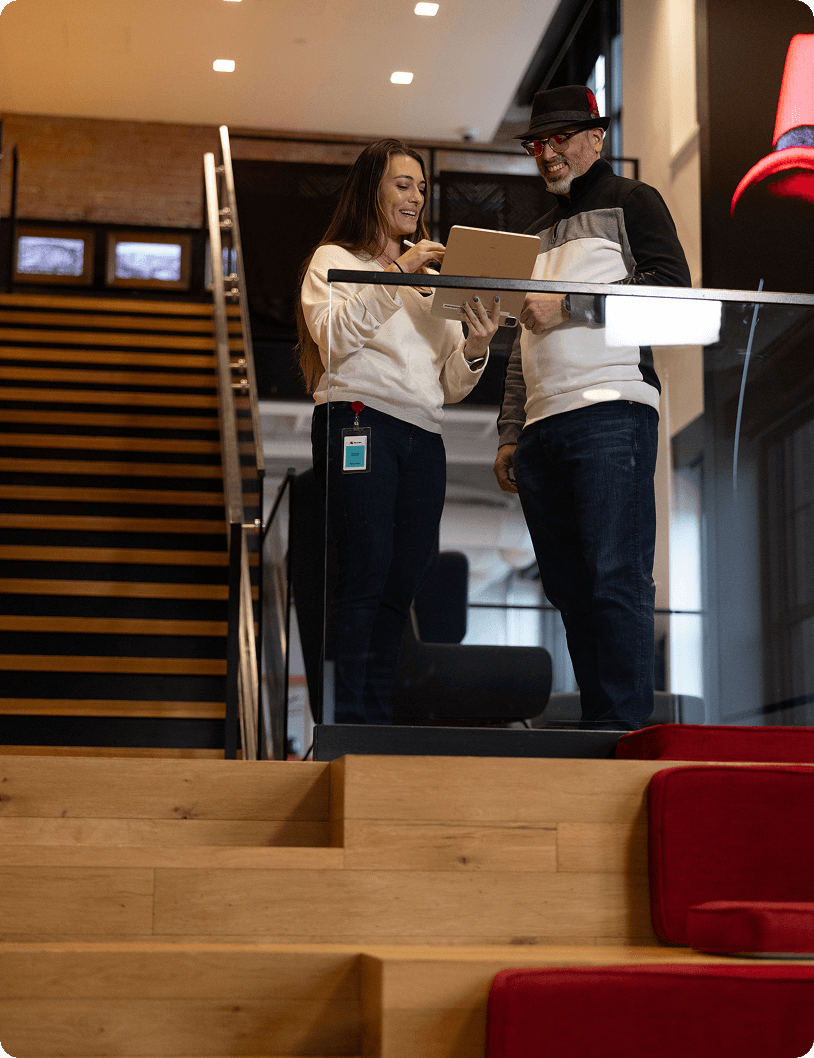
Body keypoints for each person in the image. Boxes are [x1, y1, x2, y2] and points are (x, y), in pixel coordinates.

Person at [493, 86, 691, 731]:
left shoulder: (633, 201)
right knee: (572, 592)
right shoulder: (533, 233)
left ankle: (628, 736)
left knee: (615, 581)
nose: (546, 153)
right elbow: (523, 338)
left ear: (596, 138)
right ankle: (602, 731)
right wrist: (508, 432)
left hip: (612, 412)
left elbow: (672, 293)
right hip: (543, 430)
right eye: (535, 143)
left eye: (559, 138)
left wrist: (572, 306)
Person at [298, 138, 499, 725]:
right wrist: (396, 274)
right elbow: (333, 340)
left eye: (420, 187)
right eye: (402, 184)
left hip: (422, 436)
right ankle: (346, 721)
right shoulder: (334, 259)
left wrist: (477, 347)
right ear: (372, 190)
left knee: (401, 578)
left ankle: (377, 717)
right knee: (363, 567)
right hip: (357, 420)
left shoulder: (432, 282)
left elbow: (450, 384)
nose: (415, 197)